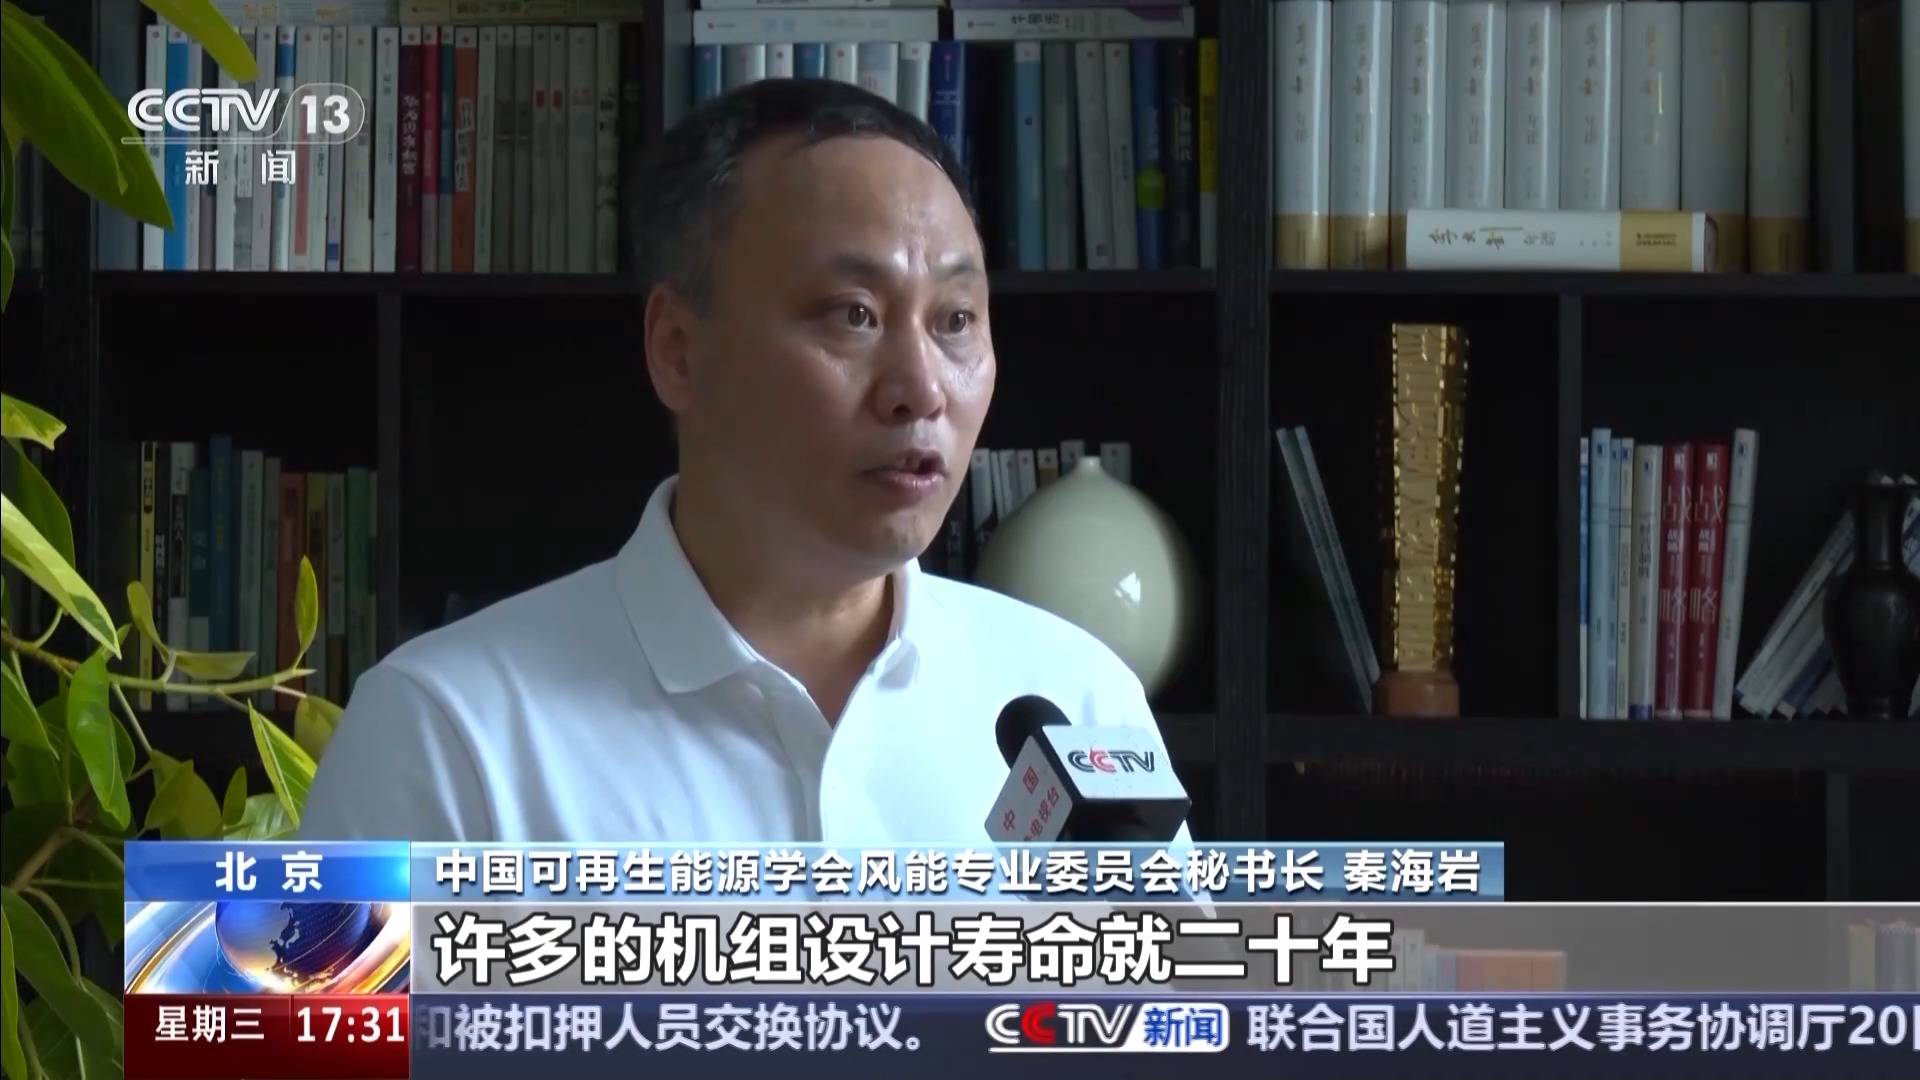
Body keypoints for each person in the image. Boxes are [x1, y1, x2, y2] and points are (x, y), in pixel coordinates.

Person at [299, 79, 1186, 843]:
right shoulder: (449, 733)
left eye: (955, 320)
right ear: (679, 350)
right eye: (853, 314)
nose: (920, 389)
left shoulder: (1072, 695)